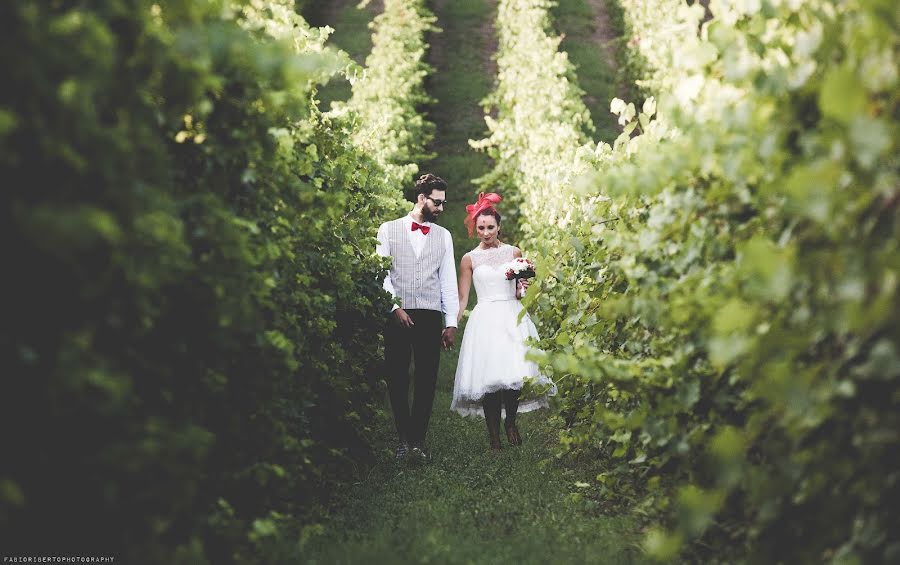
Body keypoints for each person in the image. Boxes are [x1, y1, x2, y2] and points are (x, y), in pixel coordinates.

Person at [450, 192, 556, 450]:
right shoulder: (469, 259)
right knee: (489, 379)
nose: (486, 233)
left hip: (511, 314)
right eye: (481, 228)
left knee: (513, 373)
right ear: (475, 229)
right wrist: (451, 324)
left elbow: (522, 291)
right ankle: (493, 435)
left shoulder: (513, 252)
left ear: (499, 227)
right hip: (485, 317)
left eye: (490, 227)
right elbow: (463, 297)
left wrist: (523, 283)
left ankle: (511, 421)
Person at [376, 173, 459, 461]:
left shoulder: (444, 236)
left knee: (427, 378)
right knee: (397, 376)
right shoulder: (388, 230)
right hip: (397, 313)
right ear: (421, 198)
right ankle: (402, 439)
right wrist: (394, 307)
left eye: (443, 203)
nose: (440, 208)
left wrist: (451, 323)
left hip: (429, 313)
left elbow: (448, 281)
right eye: (437, 202)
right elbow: (382, 273)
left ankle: (417, 441)